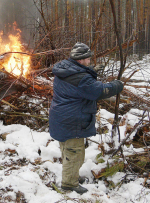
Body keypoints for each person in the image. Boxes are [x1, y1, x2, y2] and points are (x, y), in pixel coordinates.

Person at [49, 42, 124, 194]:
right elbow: (99, 91)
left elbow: (80, 81)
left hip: (61, 117)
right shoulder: (81, 79)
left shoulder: (64, 69)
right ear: (81, 59)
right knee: (75, 153)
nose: (90, 61)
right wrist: (117, 85)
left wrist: (89, 71)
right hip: (73, 121)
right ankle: (69, 185)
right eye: (88, 59)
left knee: (67, 150)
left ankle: (71, 176)